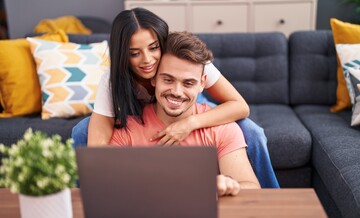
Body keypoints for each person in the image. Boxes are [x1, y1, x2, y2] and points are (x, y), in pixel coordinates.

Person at [71, 7, 279, 188]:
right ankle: (83, 200)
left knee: (252, 132)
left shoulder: (190, 61)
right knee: (81, 131)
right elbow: (98, 151)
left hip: (190, 106)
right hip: (140, 112)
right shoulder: (113, 79)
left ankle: (272, 199)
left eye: (153, 48)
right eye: (135, 53)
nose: (147, 60)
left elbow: (239, 106)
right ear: (123, 55)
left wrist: (190, 123)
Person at [110, 31, 261, 195]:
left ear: (202, 83)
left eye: (188, 83)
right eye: (168, 80)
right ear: (153, 79)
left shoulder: (222, 129)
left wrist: (229, 186)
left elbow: (252, 189)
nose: (176, 91)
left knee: (253, 132)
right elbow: (107, 189)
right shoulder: (126, 128)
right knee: (82, 130)